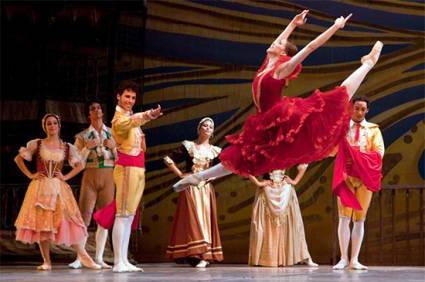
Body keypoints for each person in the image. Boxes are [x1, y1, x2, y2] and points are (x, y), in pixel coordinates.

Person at [174, 10, 383, 191]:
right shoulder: (267, 62)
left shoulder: (281, 70)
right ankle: (197, 178)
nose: (275, 42)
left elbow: (310, 47)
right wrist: (293, 24)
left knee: (337, 97)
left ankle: (368, 64)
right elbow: (280, 40)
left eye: (279, 43)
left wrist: (335, 27)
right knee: (240, 156)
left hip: (283, 119)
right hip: (263, 121)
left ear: (282, 51)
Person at [14, 113, 101, 270]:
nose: (52, 126)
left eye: (55, 123)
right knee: (42, 223)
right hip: (40, 187)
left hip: (58, 188)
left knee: (68, 219)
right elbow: (18, 159)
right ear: (45, 127)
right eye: (49, 124)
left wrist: (65, 176)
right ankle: (46, 261)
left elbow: (80, 165)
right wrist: (30, 174)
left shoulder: (66, 147)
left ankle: (84, 255)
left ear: (59, 126)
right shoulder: (37, 144)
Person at [111, 82, 162, 272]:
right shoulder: (119, 119)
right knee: (122, 214)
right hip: (126, 169)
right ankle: (117, 262)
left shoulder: (129, 118)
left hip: (138, 168)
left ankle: (123, 260)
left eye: (132, 98)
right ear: (118, 97)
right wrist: (149, 115)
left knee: (129, 215)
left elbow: (141, 145)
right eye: (126, 96)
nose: (129, 101)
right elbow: (130, 123)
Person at [332, 96, 385, 270]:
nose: (360, 112)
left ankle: (354, 259)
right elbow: (332, 150)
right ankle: (343, 258)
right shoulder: (341, 128)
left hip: (364, 178)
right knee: (344, 217)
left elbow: (379, 153)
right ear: (351, 108)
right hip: (346, 176)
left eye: (363, 109)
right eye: (357, 108)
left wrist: (356, 158)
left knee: (360, 219)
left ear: (367, 110)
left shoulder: (373, 130)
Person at [164, 117, 223, 268]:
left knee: (205, 220)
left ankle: (205, 255)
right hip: (190, 187)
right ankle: (194, 253)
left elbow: (225, 167)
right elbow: (168, 159)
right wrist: (181, 175)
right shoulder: (189, 146)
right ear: (199, 128)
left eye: (211, 126)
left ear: (212, 132)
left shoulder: (215, 151)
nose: (208, 128)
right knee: (192, 221)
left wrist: (211, 177)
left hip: (205, 189)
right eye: (205, 125)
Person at [68, 101, 116, 269]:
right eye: (93, 109)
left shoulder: (112, 133)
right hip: (90, 175)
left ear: (103, 112)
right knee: (83, 218)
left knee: (104, 219)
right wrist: (87, 149)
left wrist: (114, 148)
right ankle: (80, 257)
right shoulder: (82, 136)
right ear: (88, 114)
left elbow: (124, 159)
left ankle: (99, 258)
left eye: (99, 108)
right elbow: (74, 161)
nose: (97, 110)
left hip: (109, 176)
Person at [248, 165, 317, 267]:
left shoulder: (286, 150)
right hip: (267, 190)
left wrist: (295, 181)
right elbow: (245, 166)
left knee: (294, 224)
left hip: (285, 190)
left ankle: (304, 256)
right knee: (265, 225)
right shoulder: (261, 150)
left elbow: (304, 163)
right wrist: (258, 183)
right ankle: (268, 258)